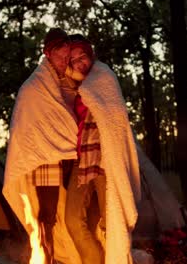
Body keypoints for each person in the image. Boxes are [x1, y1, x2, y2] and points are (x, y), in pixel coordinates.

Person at [64, 34, 142, 264]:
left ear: (91, 56)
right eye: (74, 59)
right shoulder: (76, 85)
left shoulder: (104, 76)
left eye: (83, 57)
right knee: (72, 219)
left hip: (106, 157)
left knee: (112, 221)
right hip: (84, 157)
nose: (80, 63)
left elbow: (114, 119)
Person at [2, 28, 78, 264]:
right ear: (47, 54)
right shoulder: (34, 86)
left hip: (69, 153)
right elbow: (28, 124)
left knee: (74, 210)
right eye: (59, 57)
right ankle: (47, 258)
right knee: (47, 215)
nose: (63, 61)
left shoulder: (66, 80)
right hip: (45, 157)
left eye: (67, 57)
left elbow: (69, 114)